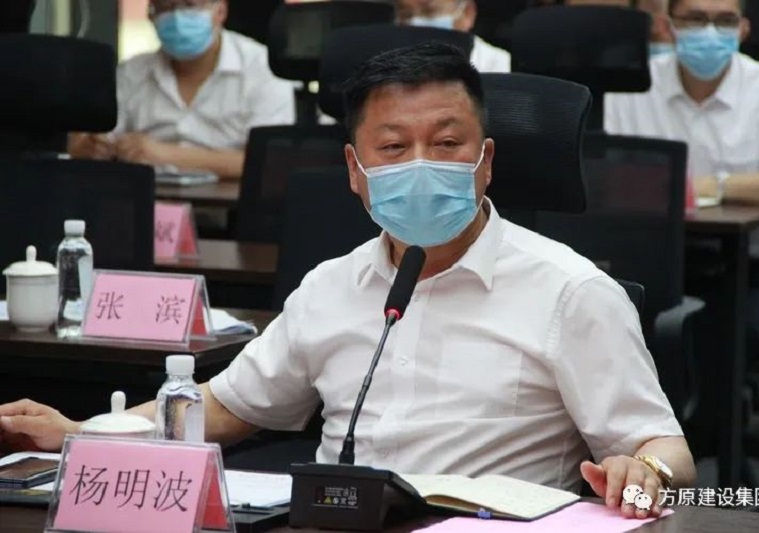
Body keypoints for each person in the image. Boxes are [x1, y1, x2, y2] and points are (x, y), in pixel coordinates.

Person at [0, 42, 695, 520]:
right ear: (355, 172)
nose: (421, 164)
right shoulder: (331, 285)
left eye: (447, 143)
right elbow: (224, 405)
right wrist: (83, 432)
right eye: (392, 147)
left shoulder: (571, 291)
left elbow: (665, 450)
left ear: (485, 161)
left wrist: (649, 474)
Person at [605, 0, 759, 361]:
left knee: (723, 342)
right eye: (695, 19)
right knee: (610, 332)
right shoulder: (632, 85)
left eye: (725, 21)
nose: (710, 32)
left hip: (750, 272)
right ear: (668, 26)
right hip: (646, 265)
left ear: (743, 30)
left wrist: (716, 186)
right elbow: (600, 176)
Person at [68, 0, 296, 180]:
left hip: (234, 212)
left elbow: (271, 162)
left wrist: (164, 155)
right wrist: (91, 148)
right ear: (150, 16)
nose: (177, 17)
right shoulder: (131, 73)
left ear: (220, 11)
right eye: (165, 6)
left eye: (189, 4)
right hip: (147, 206)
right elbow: (85, 143)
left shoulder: (263, 69)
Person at [395, 0, 510, 72]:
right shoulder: (392, 60)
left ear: (468, 13)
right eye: (406, 15)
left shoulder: (495, 62)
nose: (414, 22)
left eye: (429, 12)